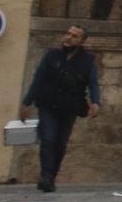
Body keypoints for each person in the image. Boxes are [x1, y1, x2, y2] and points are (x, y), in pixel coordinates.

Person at [20, 24, 101, 192]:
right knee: (48, 139)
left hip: (69, 107)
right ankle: (46, 176)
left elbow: (93, 83)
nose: (69, 38)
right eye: (68, 34)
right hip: (47, 105)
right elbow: (38, 78)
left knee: (60, 143)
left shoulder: (87, 61)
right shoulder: (52, 56)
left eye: (74, 36)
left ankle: (51, 176)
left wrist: (96, 102)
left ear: (82, 41)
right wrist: (27, 102)